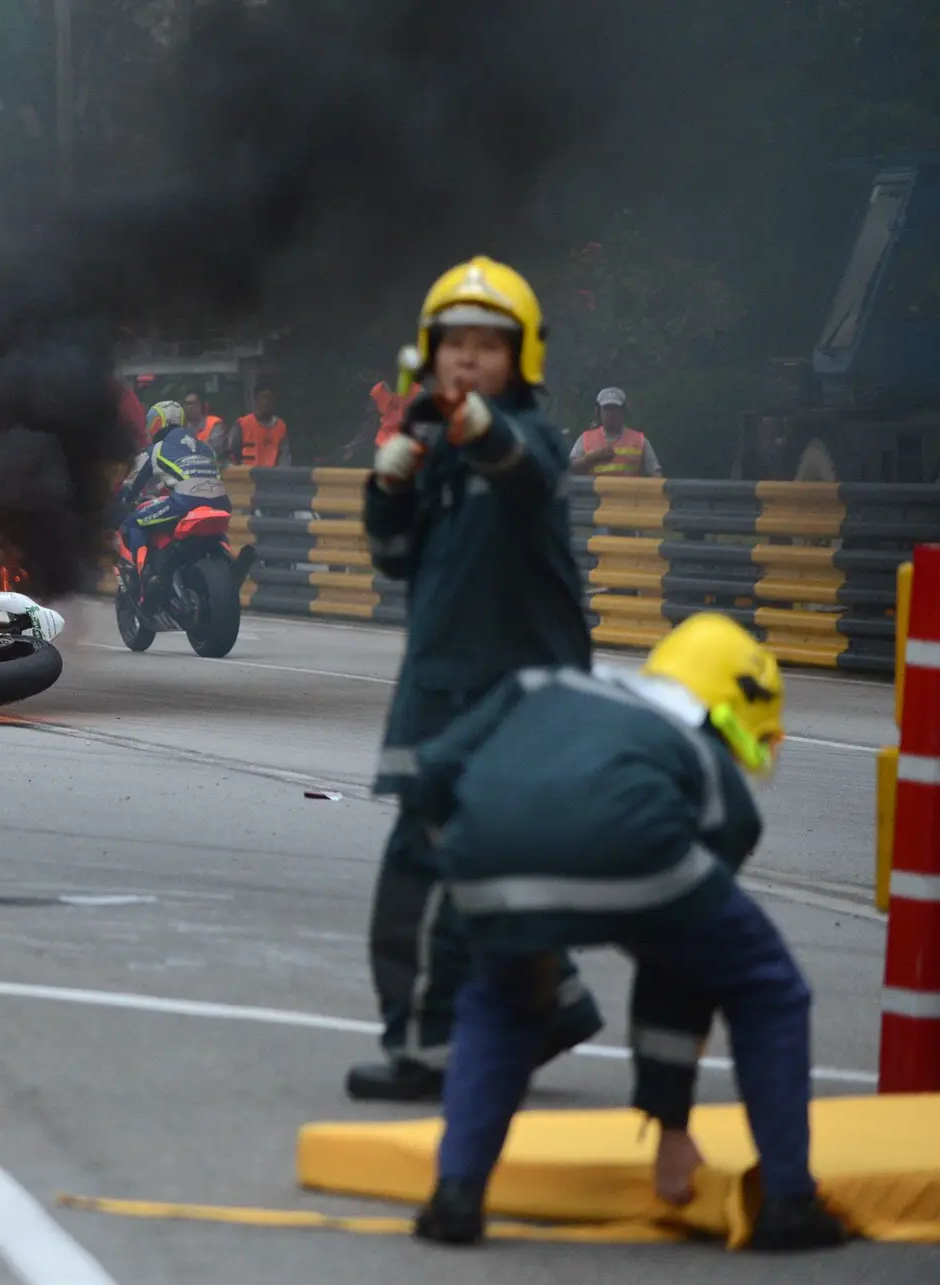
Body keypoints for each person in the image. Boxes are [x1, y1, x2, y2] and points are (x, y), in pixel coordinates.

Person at [406, 613, 849, 1253]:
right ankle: (789, 1202)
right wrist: (671, 1124)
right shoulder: (710, 769)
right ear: (726, 710)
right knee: (767, 986)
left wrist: (461, 860)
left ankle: (455, 1195)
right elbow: (682, 973)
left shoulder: (544, 683)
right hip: (639, 849)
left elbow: (434, 771)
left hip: (487, 854)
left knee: (503, 1002)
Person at [352, 255, 605, 1102]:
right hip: (445, 688)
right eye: (453, 344)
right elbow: (395, 561)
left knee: (421, 875)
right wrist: (390, 479)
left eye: (487, 346)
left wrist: (467, 427)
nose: (468, 359)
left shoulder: (531, 439)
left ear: (521, 358)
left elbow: (521, 470)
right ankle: (551, 1002)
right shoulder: (436, 452)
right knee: (483, 870)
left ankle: (424, 1049)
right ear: (427, 355)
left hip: (511, 698)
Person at [115, 400, 231, 600]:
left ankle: (145, 583)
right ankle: (230, 563)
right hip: (221, 501)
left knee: (134, 522)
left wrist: (120, 502)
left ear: (158, 423)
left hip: (185, 501)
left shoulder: (156, 449)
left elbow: (132, 483)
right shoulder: (204, 447)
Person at [569, 387, 663, 477]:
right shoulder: (585, 439)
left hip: (628, 493)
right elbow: (569, 468)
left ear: (624, 411)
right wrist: (591, 459)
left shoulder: (640, 440)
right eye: (607, 409)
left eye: (615, 409)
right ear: (598, 412)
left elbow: (655, 473)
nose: (611, 413)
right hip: (594, 493)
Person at [232, 384, 290, 468]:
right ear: (256, 400)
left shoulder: (280, 426)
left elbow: (284, 457)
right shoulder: (243, 424)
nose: (266, 401)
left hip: (272, 476)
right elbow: (232, 455)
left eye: (269, 398)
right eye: (263, 397)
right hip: (247, 477)